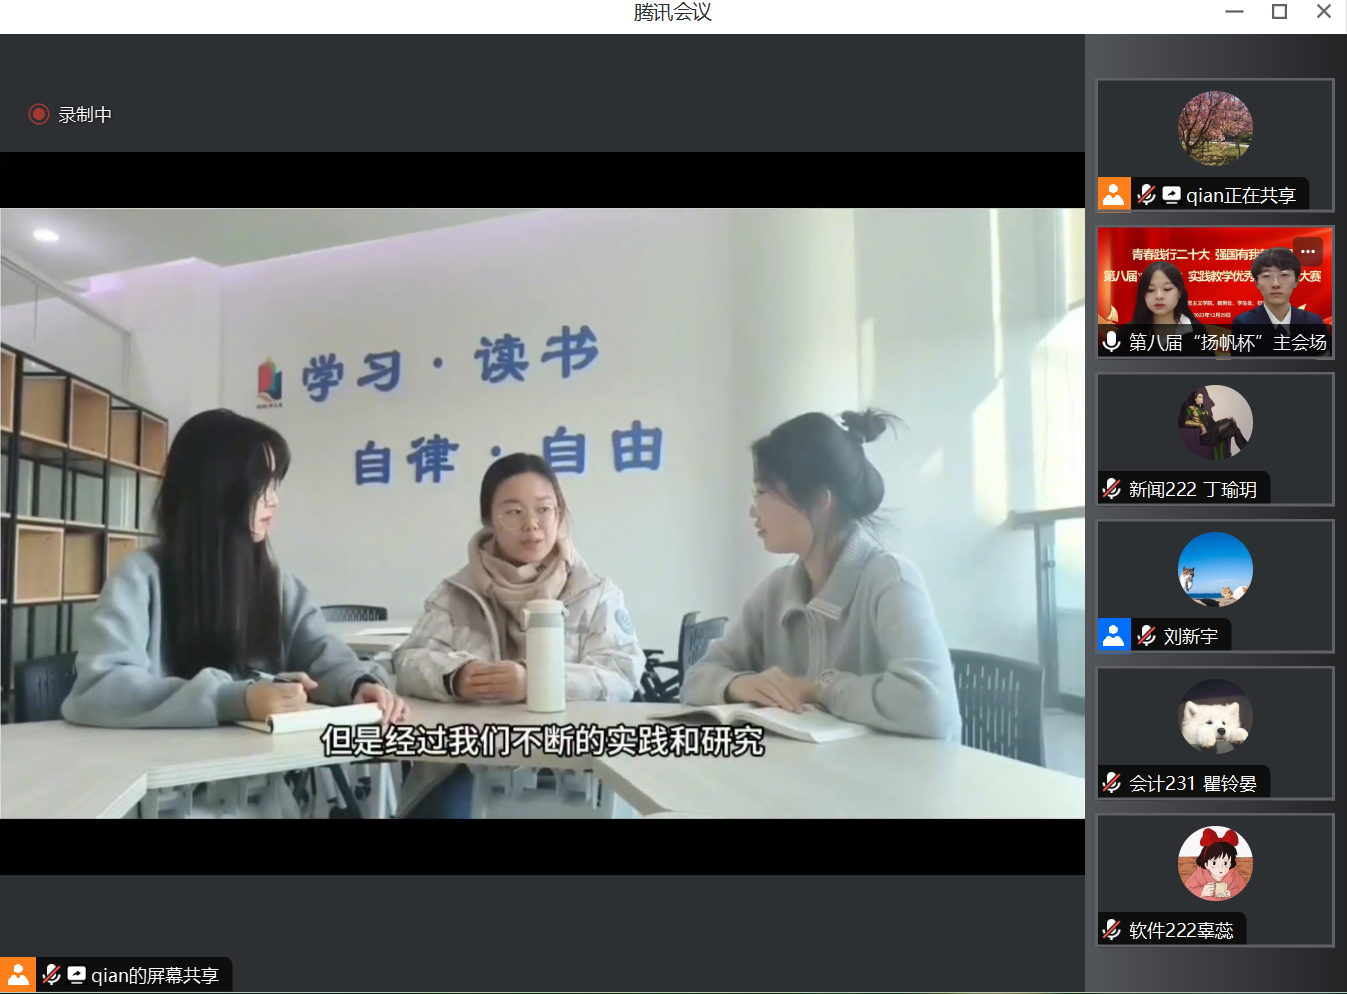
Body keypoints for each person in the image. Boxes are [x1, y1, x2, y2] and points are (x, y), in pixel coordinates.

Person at [62, 409, 407, 731]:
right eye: (262, 485)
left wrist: (357, 684)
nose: (274, 500)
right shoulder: (140, 578)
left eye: (276, 484)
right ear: (217, 490)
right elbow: (98, 690)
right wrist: (234, 699)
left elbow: (322, 655)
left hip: (259, 772)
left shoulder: (277, 584)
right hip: (162, 771)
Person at [681, 408, 961, 739]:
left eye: (762, 492)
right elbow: (695, 680)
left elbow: (930, 707)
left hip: (890, 772)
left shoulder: (891, 580)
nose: (753, 510)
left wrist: (818, 688)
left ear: (819, 499)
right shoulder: (775, 591)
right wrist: (739, 685)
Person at [394, 452, 644, 817]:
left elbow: (622, 674)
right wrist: (456, 678)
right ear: (489, 520)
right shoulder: (455, 593)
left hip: (575, 768)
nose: (532, 525)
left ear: (560, 514)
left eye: (544, 509)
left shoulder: (595, 594)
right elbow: (408, 662)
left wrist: (535, 682)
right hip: (467, 762)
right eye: (513, 512)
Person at [1231, 247, 1328, 330]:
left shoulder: (1313, 322)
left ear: (1296, 281)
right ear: (1256, 283)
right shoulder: (1244, 323)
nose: (1275, 284)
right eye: (1267, 276)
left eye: (1284, 275)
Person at [1123, 261, 1205, 333]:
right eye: (1150, 290)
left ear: (1180, 292)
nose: (1159, 296)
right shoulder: (1127, 332)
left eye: (1167, 289)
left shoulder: (1196, 330)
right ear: (1143, 294)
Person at [1178, 389, 1248, 459]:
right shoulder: (1191, 408)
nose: (1202, 398)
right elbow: (1185, 422)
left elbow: (1213, 423)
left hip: (1213, 432)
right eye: (1199, 397)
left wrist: (1226, 418)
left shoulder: (1205, 410)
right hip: (1206, 435)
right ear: (1195, 399)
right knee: (1231, 421)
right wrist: (1200, 425)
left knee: (1236, 430)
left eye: (1202, 397)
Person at [1183, 828, 1247, 900]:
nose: (1220, 867)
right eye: (1214, 863)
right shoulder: (1198, 875)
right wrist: (1202, 892)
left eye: (1225, 863)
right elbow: (1188, 888)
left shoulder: (1234, 875)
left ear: (1230, 863)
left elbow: (1241, 888)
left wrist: (1231, 893)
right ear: (1206, 864)